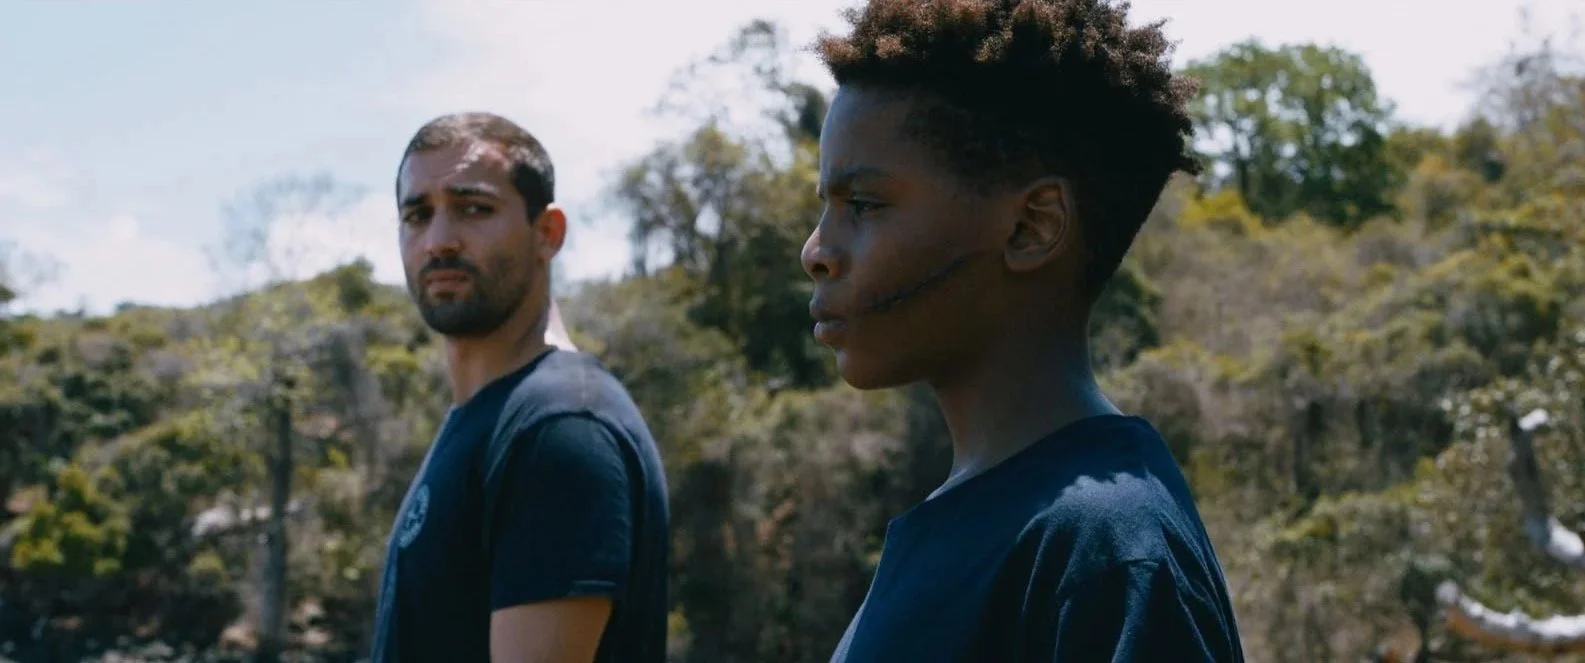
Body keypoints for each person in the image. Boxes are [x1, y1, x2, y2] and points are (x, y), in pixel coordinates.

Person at [802, 1, 1244, 661]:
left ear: (1031, 227)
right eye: (826, 208)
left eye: (863, 205)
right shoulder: (976, 515)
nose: (816, 250)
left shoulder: (1109, 553)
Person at [370, 112, 670, 663]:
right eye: (417, 215)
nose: (439, 240)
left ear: (546, 233)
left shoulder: (561, 428)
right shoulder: (489, 419)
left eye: (473, 209)